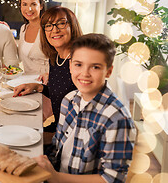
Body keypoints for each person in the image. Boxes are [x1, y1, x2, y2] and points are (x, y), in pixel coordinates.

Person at [34, 33, 136, 183]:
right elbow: (57, 145)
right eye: (78, 64)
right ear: (70, 65)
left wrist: (55, 178)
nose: (85, 73)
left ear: (108, 71)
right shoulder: (69, 100)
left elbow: (111, 179)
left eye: (95, 67)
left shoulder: (117, 119)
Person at [13, 6, 82, 136]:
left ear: (72, 26)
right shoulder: (55, 58)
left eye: (61, 23)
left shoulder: (79, 62)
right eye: (48, 26)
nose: (54, 30)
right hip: (58, 127)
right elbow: (60, 93)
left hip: (72, 135)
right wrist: (38, 87)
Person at [18, 0, 49, 79]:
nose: (29, 9)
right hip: (26, 82)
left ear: (41, 6)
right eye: (24, 4)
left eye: (33, 4)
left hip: (46, 84)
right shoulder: (23, 29)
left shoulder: (48, 29)